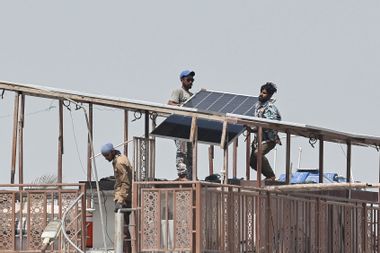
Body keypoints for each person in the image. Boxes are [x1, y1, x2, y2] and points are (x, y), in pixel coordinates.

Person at [101, 143, 132, 253]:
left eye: (106, 155)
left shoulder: (119, 162)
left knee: (123, 230)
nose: (106, 158)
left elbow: (125, 182)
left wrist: (120, 200)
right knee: (122, 228)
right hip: (123, 197)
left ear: (112, 152)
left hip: (124, 199)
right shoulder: (119, 159)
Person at [250, 82, 281, 181]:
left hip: (269, 139)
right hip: (258, 139)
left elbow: (274, 122)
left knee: (257, 154)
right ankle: (268, 176)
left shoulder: (270, 108)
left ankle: (271, 176)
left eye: (264, 93)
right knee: (252, 162)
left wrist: (260, 127)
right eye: (261, 92)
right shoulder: (258, 106)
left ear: (270, 95)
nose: (261, 94)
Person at [168, 70, 195, 180]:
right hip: (179, 125)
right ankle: (182, 174)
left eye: (192, 80)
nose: (191, 82)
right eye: (188, 80)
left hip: (189, 127)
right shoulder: (178, 91)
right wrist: (183, 107)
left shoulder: (192, 95)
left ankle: (190, 175)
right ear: (182, 80)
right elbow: (170, 104)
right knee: (182, 150)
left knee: (190, 153)